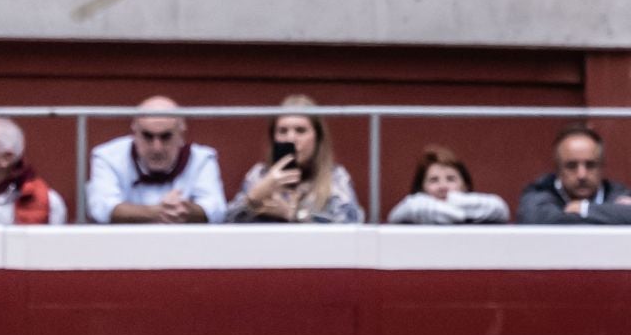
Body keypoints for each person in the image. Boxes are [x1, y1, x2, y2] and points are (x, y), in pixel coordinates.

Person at [86, 96, 226, 224]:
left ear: (181, 133)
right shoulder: (108, 157)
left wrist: (186, 210)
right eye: (148, 136)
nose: (156, 148)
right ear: (134, 131)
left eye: (165, 137)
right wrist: (158, 211)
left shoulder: (202, 159)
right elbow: (102, 209)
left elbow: (216, 210)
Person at [225, 96, 363, 224]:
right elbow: (224, 226)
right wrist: (253, 199)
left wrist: (295, 215)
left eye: (300, 131)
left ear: (318, 137)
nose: (290, 139)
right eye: (283, 131)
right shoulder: (259, 175)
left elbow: (351, 225)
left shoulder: (335, 177)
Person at [516, 126, 631, 225]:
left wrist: (584, 209)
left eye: (590, 165)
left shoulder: (616, 192)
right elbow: (535, 219)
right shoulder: (540, 192)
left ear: (602, 167)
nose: (582, 175)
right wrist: (612, 214)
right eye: (571, 166)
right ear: (558, 169)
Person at [385, 146, 510, 225]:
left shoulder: (488, 206)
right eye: (434, 180)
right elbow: (401, 212)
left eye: (451, 179)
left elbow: (500, 208)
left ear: (465, 185)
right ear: (421, 187)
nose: (443, 186)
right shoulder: (412, 207)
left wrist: (456, 203)